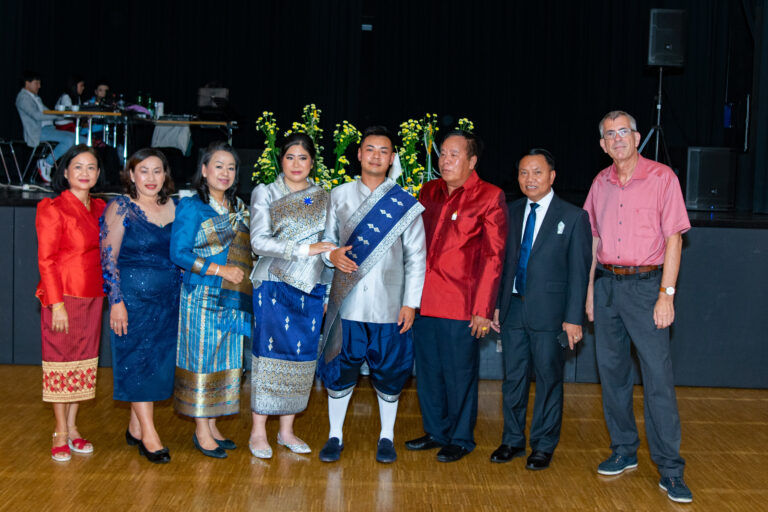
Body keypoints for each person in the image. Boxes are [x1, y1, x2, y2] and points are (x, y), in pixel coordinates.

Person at [584, 111, 693, 503]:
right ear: (603, 145)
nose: (617, 139)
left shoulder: (662, 178)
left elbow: (675, 239)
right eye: (610, 134)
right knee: (613, 376)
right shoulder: (600, 182)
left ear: (637, 136)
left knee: (657, 380)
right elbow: (593, 240)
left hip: (647, 288)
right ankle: (623, 450)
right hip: (606, 287)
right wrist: (589, 291)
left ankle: (670, 469)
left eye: (623, 132)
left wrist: (667, 294)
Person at [317, 126, 426, 464]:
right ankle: (335, 435)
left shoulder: (404, 203)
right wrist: (330, 256)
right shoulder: (338, 196)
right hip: (346, 304)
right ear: (359, 154)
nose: (376, 156)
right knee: (339, 369)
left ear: (392, 158)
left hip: (389, 307)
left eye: (383, 151)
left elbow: (416, 257)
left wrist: (410, 303)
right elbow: (325, 243)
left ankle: (386, 437)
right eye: (370, 149)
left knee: (390, 371)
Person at [406, 130, 507, 462]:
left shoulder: (489, 196)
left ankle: (461, 438)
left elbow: (493, 257)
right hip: (424, 300)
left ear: (472, 161)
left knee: (459, 374)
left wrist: (483, 308)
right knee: (429, 372)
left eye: (454, 155)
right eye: (443, 154)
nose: (445, 161)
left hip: (461, 304)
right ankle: (436, 431)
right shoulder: (429, 191)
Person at [490, 149, 591, 470]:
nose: (529, 179)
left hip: (551, 314)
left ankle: (543, 445)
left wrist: (573, 319)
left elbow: (579, 274)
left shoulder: (573, 217)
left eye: (536, 172)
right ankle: (512, 440)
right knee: (513, 378)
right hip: (513, 310)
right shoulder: (510, 212)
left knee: (548, 380)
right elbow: (502, 265)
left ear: (552, 176)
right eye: (523, 173)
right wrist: (496, 305)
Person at [247, 133, 336, 459]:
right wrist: (303, 249)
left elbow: (329, 247)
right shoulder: (266, 192)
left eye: (303, 157)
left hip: (311, 288)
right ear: (280, 160)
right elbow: (258, 242)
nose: (296, 164)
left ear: (312, 162)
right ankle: (258, 431)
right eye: (290, 157)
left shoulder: (324, 197)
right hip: (273, 283)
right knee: (269, 355)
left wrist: (327, 291)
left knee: (302, 358)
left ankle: (286, 431)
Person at [170, 141, 252, 459]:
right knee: (202, 361)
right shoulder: (191, 207)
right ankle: (201, 429)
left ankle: (214, 424)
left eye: (231, 167)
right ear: (204, 170)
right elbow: (178, 254)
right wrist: (220, 270)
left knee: (226, 360)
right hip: (201, 295)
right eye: (218, 166)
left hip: (232, 297)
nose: (225, 173)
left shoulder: (238, 208)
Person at [100, 148, 180, 464]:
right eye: (143, 171)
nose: (151, 178)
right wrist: (116, 302)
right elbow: (108, 259)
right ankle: (149, 435)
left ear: (165, 175)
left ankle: (135, 427)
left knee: (157, 364)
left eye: (157, 171)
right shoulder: (121, 207)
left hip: (169, 302)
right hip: (132, 302)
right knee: (137, 363)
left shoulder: (175, 206)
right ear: (131, 175)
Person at [35, 144, 105, 462]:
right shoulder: (52, 208)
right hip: (63, 297)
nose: (84, 173)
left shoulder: (101, 207)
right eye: (78, 166)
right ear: (65, 172)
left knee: (82, 364)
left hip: (94, 296)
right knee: (60, 363)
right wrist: (56, 304)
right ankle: (60, 431)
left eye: (91, 167)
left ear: (98, 174)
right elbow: (46, 260)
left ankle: (74, 427)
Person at [15, 70, 76, 182]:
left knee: (79, 139)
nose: (39, 86)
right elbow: (36, 115)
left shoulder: (35, 97)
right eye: (36, 83)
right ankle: (47, 162)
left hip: (48, 129)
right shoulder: (23, 98)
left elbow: (49, 113)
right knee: (70, 139)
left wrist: (61, 115)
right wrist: (60, 115)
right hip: (38, 132)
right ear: (27, 83)